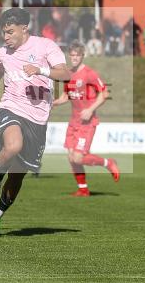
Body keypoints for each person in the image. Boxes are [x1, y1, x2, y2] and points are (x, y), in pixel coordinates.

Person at [0, 8, 71, 237]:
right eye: (3, 33)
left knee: (17, 176)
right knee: (13, 146)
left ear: (24, 28)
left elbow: (65, 74)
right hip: (10, 107)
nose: (6, 37)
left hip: (38, 118)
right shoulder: (3, 52)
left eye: (10, 32)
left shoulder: (46, 46)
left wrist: (40, 69)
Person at [51, 41, 120, 197]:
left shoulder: (90, 73)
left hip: (87, 123)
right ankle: (83, 189)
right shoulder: (68, 74)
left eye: (77, 55)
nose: (74, 58)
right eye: (72, 55)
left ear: (83, 56)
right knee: (71, 157)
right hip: (73, 122)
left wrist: (90, 109)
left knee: (79, 157)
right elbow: (66, 96)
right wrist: (53, 103)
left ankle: (108, 163)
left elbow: (104, 94)